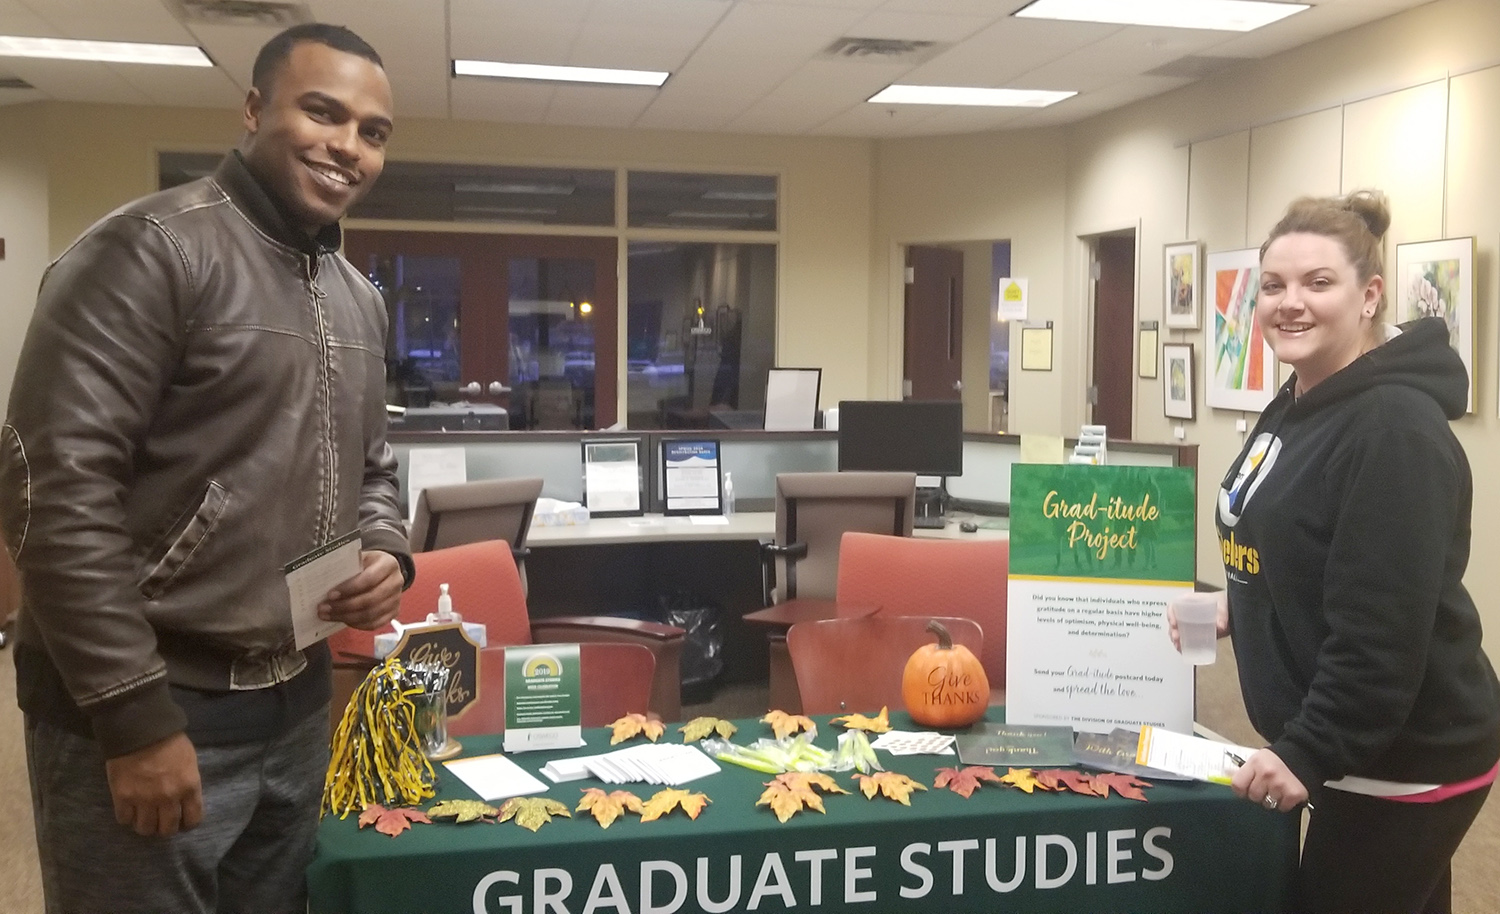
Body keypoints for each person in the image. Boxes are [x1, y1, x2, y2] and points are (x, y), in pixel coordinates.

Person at [0, 23, 412, 914]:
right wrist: (133, 715)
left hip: (294, 706)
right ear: (256, 107)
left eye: (372, 132)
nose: (348, 145)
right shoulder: (151, 251)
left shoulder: (358, 298)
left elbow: (375, 466)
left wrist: (386, 546)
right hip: (155, 702)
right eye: (322, 112)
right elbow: (54, 492)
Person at [1172, 190, 1500, 913]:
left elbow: (1381, 632)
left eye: (1319, 283)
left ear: (1369, 295)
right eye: (1274, 286)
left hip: (1406, 755)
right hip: (1357, 747)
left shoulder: (1393, 431)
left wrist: (1307, 751)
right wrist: (1240, 603)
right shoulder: (1301, 398)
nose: (1292, 303)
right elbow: (1309, 548)